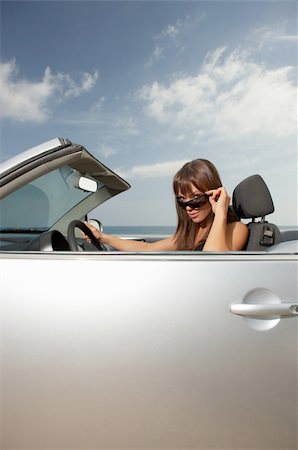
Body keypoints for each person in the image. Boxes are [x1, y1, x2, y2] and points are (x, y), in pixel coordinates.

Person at [83, 158, 249, 251]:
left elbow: (213, 267)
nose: (189, 207)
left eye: (196, 199)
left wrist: (221, 212)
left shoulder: (236, 229)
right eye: (182, 200)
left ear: (215, 194)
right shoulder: (191, 233)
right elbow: (149, 249)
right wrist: (103, 237)